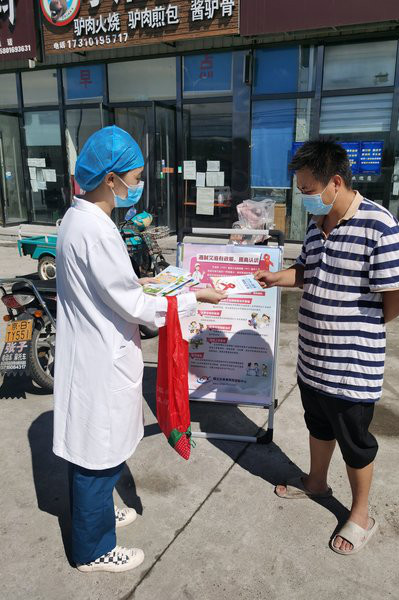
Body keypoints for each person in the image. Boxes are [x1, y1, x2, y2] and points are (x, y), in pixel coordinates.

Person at [53, 126, 225, 573]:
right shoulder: (97, 231)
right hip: (99, 359)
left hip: (91, 351)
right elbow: (134, 307)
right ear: (110, 179)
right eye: (135, 177)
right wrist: (193, 297)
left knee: (94, 448)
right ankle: (93, 550)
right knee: (97, 454)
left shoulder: (77, 219)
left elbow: (111, 288)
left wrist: (141, 282)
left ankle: (96, 516)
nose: (138, 184)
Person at [255, 140, 399, 555]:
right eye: (301, 190)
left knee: (355, 441)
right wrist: (277, 278)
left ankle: (360, 514)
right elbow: (307, 271)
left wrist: (369, 324)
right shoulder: (317, 224)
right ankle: (316, 482)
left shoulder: (379, 225)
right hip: (313, 358)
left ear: (336, 182)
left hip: (352, 363)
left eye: (309, 189)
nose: (305, 197)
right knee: (319, 425)